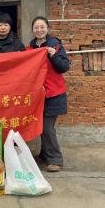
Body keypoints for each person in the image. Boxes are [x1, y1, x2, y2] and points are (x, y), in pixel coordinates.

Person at [27, 16, 70, 172]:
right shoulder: (29, 48)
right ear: (32, 30)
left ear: (47, 28)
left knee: (47, 127)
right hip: (38, 95)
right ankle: (45, 155)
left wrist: (53, 55)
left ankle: (55, 160)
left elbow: (64, 66)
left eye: (42, 27)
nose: (39, 30)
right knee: (41, 126)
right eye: (36, 27)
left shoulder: (55, 45)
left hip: (54, 93)